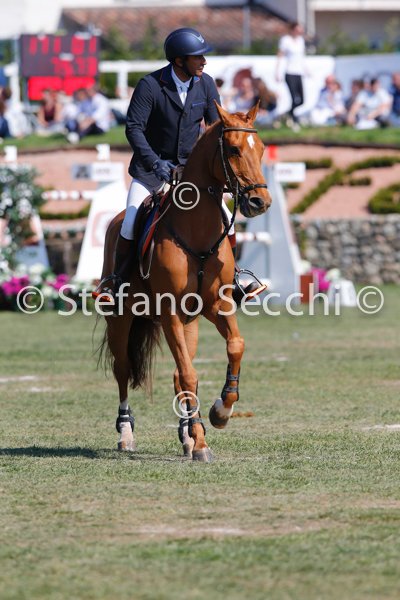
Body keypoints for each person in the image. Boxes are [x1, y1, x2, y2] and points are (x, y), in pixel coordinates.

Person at [105, 27, 262, 307]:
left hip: (191, 174)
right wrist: (155, 162)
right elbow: (134, 129)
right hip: (151, 171)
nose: (204, 62)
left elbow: (216, 128)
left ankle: (235, 277)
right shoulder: (150, 86)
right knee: (130, 221)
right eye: (197, 57)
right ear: (179, 60)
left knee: (227, 218)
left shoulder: (206, 83)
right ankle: (117, 282)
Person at [276, 22, 308, 130]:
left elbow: (302, 57)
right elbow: (280, 55)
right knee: (294, 98)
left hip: (299, 73)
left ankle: (287, 114)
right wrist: (277, 71)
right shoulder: (286, 40)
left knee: (302, 100)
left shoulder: (301, 41)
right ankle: (294, 121)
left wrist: (306, 69)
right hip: (289, 73)